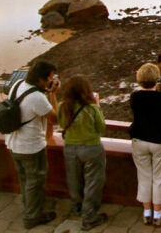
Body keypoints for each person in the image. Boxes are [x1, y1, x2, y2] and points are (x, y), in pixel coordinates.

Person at [5, 60, 60, 229]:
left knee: (24, 179)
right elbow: (55, 118)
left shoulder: (18, 84)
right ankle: (32, 217)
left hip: (13, 143)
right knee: (35, 181)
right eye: (50, 78)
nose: (52, 80)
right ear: (41, 80)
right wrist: (53, 93)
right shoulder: (37, 97)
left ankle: (29, 207)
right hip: (30, 147)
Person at [129, 63, 161, 226]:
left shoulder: (135, 97)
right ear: (156, 79)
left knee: (143, 176)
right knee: (159, 177)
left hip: (139, 141)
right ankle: (157, 214)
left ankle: (146, 212)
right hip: (160, 142)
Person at [57, 75, 108, 231]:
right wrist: (98, 105)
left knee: (74, 180)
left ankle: (76, 208)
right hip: (91, 149)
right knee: (93, 183)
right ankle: (89, 217)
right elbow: (101, 128)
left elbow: (61, 124)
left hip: (70, 148)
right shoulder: (91, 108)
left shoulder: (62, 106)